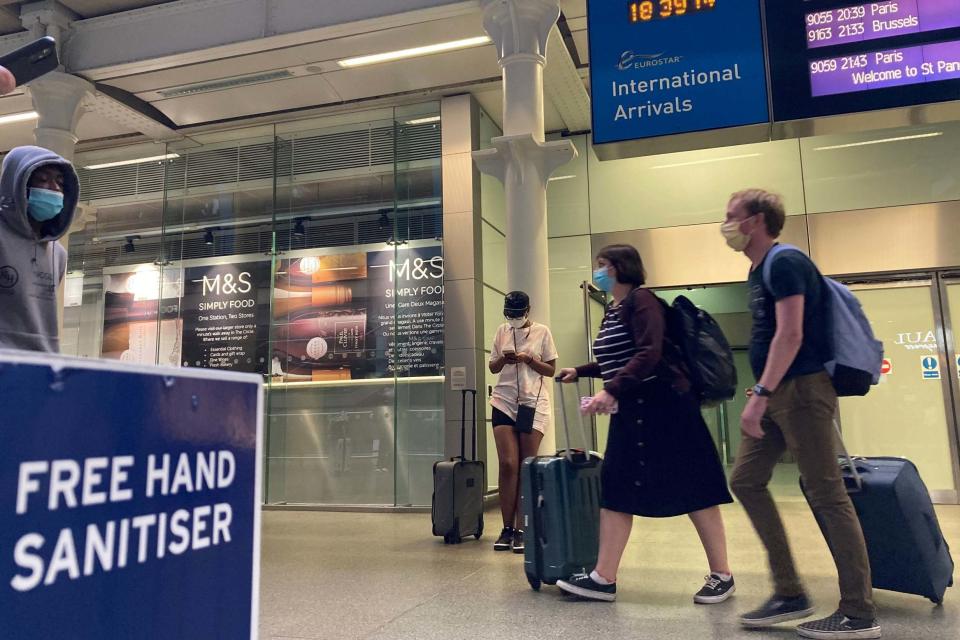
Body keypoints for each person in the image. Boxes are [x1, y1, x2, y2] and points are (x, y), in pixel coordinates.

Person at [722, 189, 880, 639]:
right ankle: (790, 591)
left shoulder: (785, 262)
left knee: (826, 492)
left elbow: (790, 335)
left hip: (804, 389)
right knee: (745, 480)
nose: (726, 225)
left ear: (755, 221)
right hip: (775, 392)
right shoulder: (758, 269)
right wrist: (762, 392)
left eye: (731, 216)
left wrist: (761, 393)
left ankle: (858, 612)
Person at [555, 244, 736, 605]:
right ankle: (603, 577)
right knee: (617, 485)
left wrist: (610, 391)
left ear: (622, 267)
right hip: (635, 409)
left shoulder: (643, 301)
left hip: (668, 408)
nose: (598, 272)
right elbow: (619, 357)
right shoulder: (614, 310)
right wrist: (583, 371)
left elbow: (649, 352)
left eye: (603, 265)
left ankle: (723, 575)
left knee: (695, 485)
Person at [488, 291, 557, 553]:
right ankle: (506, 528)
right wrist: (504, 358)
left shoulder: (542, 332)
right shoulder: (501, 331)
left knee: (526, 466)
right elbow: (493, 367)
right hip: (504, 400)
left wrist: (530, 359)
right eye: (509, 314)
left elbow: (551, 370)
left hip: (533, 403)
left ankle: (522, 528)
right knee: (508, 464)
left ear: (528, 310)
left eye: (517, 314)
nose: (513, 319)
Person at [0, 146, 80, 352]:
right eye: (42, 180)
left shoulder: (58, 254)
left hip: (41, 364)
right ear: (19, 184)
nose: (54, 188)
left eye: (60, 183)